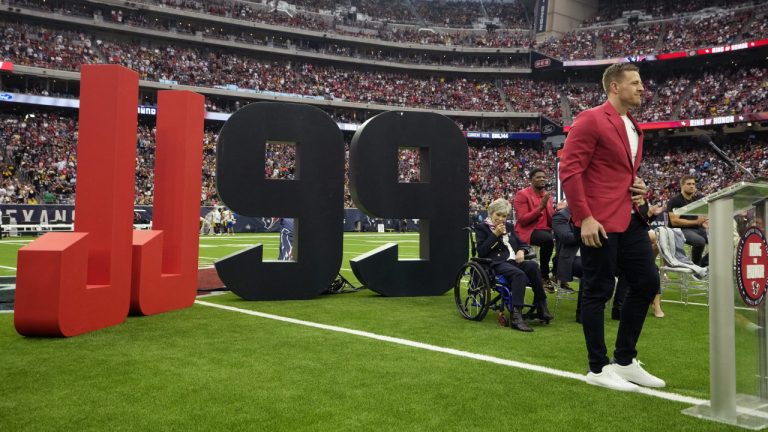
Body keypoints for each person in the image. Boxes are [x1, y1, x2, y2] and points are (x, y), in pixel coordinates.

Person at [559, 63, 665, 392]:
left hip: (630, 217)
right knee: (598, 290)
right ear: (615, 87)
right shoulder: (591, 118)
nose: (642, 88)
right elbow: (570, 169)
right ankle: (597, 367)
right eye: (635, 83)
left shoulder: (634, 125)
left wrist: (638, 185)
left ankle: (625, 361)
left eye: (642, 82)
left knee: (647, 283)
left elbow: (616, 171)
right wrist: (584, 217)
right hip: (599, 220)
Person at [475, 198, 552, 332]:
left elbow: (521, 242)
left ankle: (541, 306)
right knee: (519, 274)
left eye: (504, 216)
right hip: (496, 263)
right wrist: (495, 234)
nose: (501, 219)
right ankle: (516, 316)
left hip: (513, 261)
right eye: (498, 215)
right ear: (491, 213)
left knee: (533, 266)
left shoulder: (510, 227)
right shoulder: (483, 228)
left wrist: (521, 250)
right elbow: (481, 252)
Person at [513, 168, 558, 293]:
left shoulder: (547, 196)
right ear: (531, 179)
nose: (542, 179)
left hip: (546, 230)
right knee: (547, 240)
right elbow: (522, 220)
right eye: (538, 177)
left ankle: (558, 274)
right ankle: (544, 276)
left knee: (567, 237)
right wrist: (540, 208)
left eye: (544, 177)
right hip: (528, 231)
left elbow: (551, 218)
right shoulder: (522, 194)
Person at [552, 199, 584, 322]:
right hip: (572, 258)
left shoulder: (595, 214)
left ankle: (618, 308)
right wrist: (589, 232)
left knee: (626, 264)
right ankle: (583, 313)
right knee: (590, 268)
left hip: (594, 255)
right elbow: (567, 238)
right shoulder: (560, 216)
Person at [666, 175, 708, 266]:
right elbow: (674, 221)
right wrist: (696, 222)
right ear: (682, 186)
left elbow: (701, 216)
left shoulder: (696, 200)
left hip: (697, 229)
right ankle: (696, 268)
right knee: (700, 242)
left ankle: (702, 264)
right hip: (680, 230)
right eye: (688, 184)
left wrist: (704, 222)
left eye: (693, 184)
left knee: (718, 241)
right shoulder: (675, 201)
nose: (692, 186)